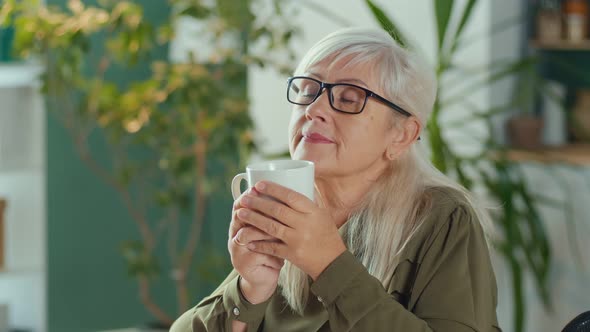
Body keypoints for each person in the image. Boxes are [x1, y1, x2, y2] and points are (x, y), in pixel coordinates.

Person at [171, 27, 501, 332]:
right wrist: (248, 291)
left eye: (347, 99)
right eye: (307, 90)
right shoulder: (288, 207)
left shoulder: (443, 219)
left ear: (401, 135)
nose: (313, 109)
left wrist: (329, 263)